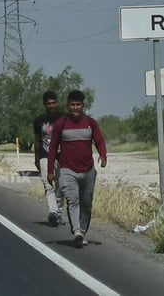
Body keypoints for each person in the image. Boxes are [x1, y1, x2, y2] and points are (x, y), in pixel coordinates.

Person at [47, 90, 107, 248]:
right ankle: (77, 232)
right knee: (73, 200)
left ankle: (83, 231)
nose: (75, 108)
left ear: (83, 105)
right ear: (68, 106)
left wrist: (103, 155)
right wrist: (50, 170)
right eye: (72, 105)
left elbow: (99, 140)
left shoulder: (91, 123)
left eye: (78, 105)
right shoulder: (61, 123)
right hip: (67, 169)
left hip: (88, 170)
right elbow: (53, 147)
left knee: (86, 203)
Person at [34, 90, 65, 227]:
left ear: (57, 103)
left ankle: (58, 211)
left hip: (62, 156)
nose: (51, 106)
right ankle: (53, 212)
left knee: (62, 185)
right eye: (49, 103)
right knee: (49, 185)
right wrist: (36, 158)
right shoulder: (39, 120)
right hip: (45, 156)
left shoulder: (65, 118)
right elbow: (37, 140)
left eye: (54, 103)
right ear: (44, 105)